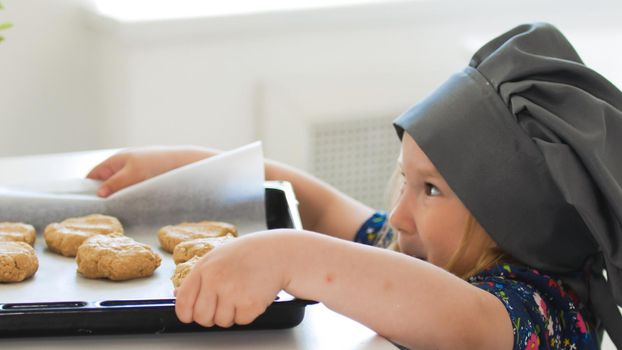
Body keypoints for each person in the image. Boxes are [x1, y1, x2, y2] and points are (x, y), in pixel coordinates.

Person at [87, 23, 622, 349]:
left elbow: (458, 322)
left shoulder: (542, 311)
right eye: (404, 181)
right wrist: (192, 167)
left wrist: (286, 255)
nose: (397, 217)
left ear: (513, 215)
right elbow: (319, 205)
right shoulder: (431, 253)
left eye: (431, 190)